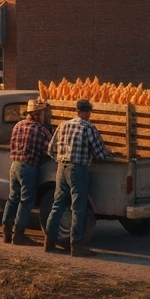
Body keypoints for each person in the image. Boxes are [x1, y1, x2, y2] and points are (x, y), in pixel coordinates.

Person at [44, 98, 112, 256]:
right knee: (79, 207)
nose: (89, 114)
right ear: (83, 112)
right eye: (88, 112)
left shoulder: (63, 126)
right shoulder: (88, 128)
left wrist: (61, 159)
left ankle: (49, 241)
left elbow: (51, 150)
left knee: (58, 204)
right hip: (78, 169)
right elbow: (100, 153)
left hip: (62, 168)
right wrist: (110, 155)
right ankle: (76, 245)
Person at [1, 98, 51, 245]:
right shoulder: (41, 130)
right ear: (37, 114)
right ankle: (19, 234)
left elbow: (12, 143)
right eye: (42, 113)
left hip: (15, 165)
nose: (43, 116)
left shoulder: (18, 125)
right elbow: (52, 146)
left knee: (12, 198)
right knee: (26, 200)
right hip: (29, 167)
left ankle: (6, 230)